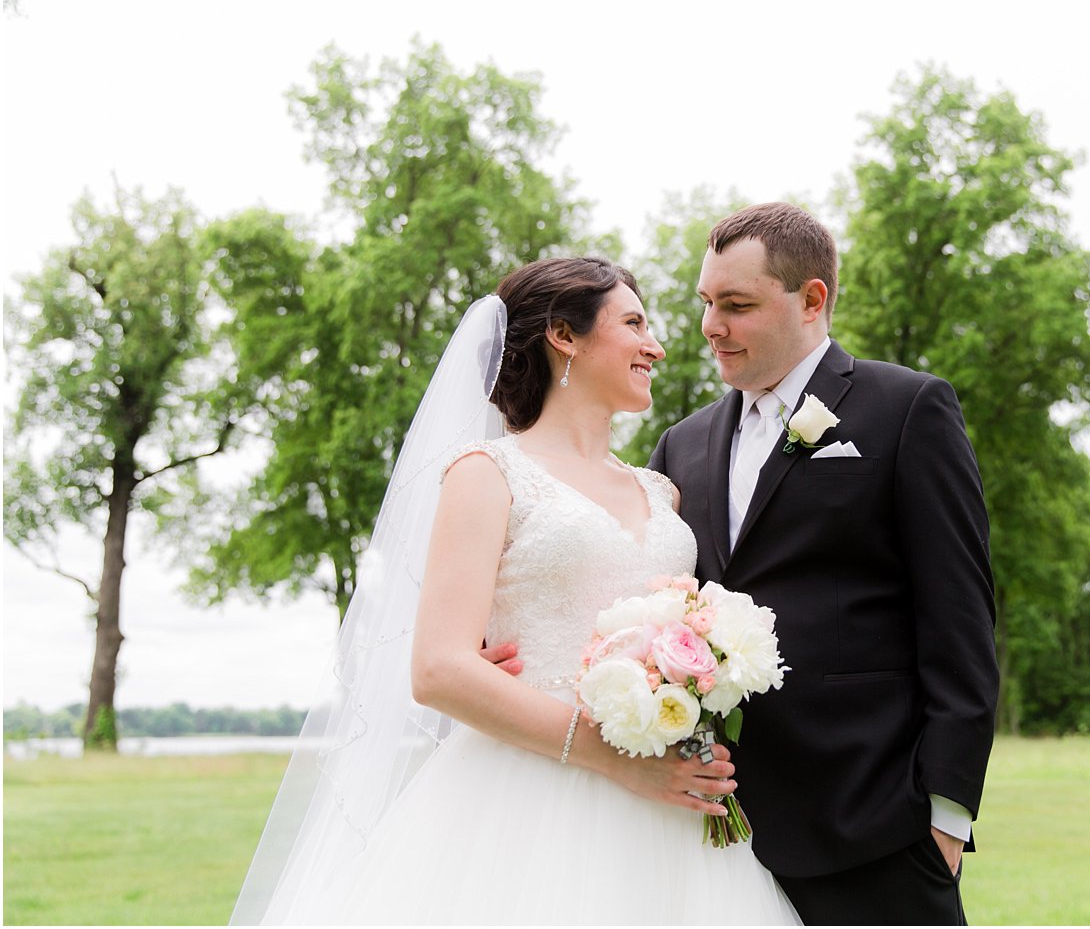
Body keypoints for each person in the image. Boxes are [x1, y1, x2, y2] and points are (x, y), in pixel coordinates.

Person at [231, 257, 798, 925]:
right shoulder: (486, 472)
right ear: (564, 334)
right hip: (527, 795)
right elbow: (440, 667)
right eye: (634, 322)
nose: (657, 344)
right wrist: (608, 759)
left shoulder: (659, 489)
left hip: (669, 800)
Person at [649, 203, 1000, 925]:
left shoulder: (907, 408)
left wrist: (946, 812)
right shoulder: (680, 445)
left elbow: (960, 618)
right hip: (716, 835)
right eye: (706, 303)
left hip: (875, 823)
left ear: (812, 299)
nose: (711, 325)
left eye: (737, 305)